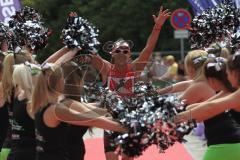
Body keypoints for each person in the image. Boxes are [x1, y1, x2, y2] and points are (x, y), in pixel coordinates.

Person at [88, 6, 170, 160]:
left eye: (125, 51)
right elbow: (91, 52)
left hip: (130, 121)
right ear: (112, 53)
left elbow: (149, 47)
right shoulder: (106, 68)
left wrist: (157, 26)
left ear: (129, 54)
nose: (121, 53)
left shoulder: (135, 68)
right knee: (111, 157)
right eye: (118, 51)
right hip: (110, 120)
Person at [32, 63, 126, 160]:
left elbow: (89, 109)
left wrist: (115, 105)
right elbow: (92, 120)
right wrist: (128, 128)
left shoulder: (43, 104)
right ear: (58, 82)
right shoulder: (56, 109)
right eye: (63, 79)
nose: (65, 82)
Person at [175, 56, 240, 160]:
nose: (227, 76)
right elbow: (208, 104)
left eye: (228, 74)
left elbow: (210, 107)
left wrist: (177, 117)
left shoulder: (235, 94)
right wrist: (187, 111)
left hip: (225, 146)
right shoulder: (229, 92)